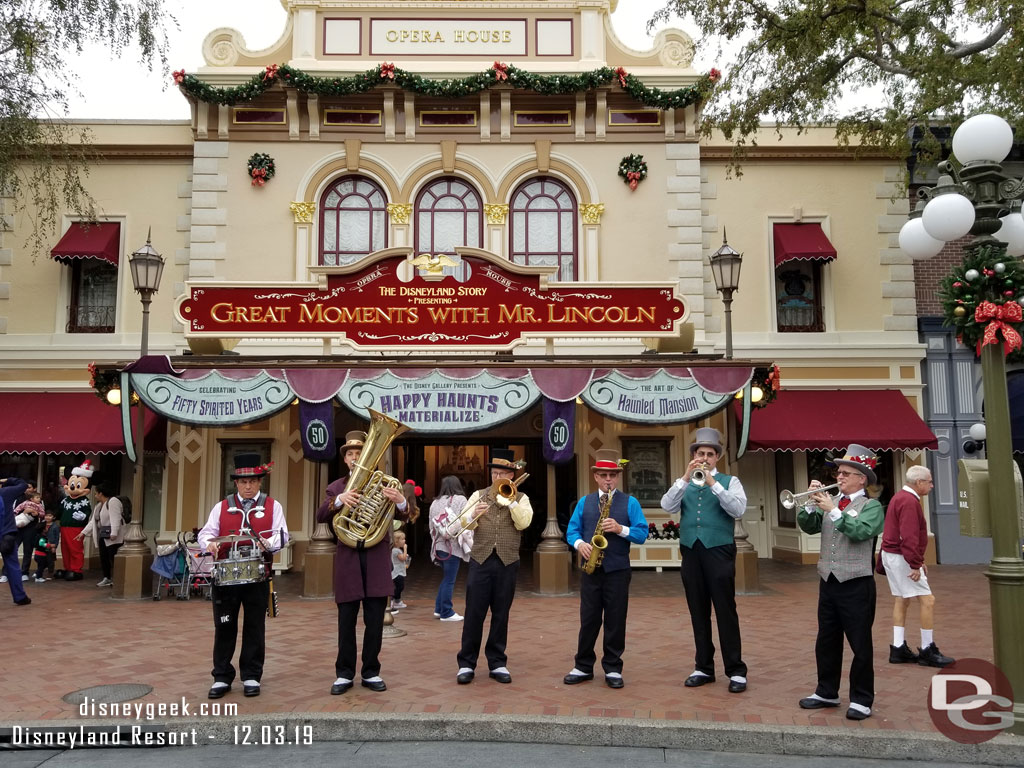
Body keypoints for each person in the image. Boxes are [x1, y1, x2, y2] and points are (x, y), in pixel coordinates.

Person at [315, 430, 410, 695]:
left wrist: (400, 500)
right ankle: (344, 674)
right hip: (348, 561)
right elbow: (321, 515)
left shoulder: (385, 485)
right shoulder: (336, 487)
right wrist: (339, 500)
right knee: (346, 621)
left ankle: (371, 672)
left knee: (375, 622)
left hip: (376, 560)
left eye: (360, 453)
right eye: (351, 454)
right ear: (345, 460)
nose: (356, 458)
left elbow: (408, 515)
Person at [797, 443, 885, 721]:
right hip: (829, 579)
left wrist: (832, 509)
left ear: (863, 478)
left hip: (857, 582)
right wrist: (811, 505)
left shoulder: (871, 506)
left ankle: (861, 698)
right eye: (839, 472)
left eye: (846, 473)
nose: (839, 477)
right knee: (826, 640)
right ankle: (826, 691)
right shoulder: (830, 503)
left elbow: (861, 532)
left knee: (860, 643)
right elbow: (808, 527)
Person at [659, 427, 749, 693]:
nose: (706, 458)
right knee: (698, 611)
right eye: (701, 453)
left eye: (710, 454)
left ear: (717, 458)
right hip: (691, 551)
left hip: (719, 551)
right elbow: (667, 505)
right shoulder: (685, 482)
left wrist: (713, 483)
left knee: (725, 611)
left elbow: (738, 509)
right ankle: (703, 667)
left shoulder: (730, 482)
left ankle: (736, 670)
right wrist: (686, 477)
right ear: (694, 455)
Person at [197, 454, 288, 699]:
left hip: (257, 576)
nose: (248, 487)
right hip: (226, 578)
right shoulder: (222, 506)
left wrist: (267, 543)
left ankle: (251, 675)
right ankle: (222, 676)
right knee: (224, 625)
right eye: (243, 482)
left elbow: (282, 536)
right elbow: (206, 533)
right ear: (235, 483)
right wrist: (210, 544)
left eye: (253, 482)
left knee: (255, 627)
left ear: (260, 483)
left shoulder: (272, 505)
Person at [563, 449, 648, 689]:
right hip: (591, 570)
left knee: (615, 619)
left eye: (612, 475)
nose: (608, 479)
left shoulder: (630, 502)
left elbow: (642, 534)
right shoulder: (585, 502)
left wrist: (621, 529)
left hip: (618, 571)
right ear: (596, 477)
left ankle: (613, 667)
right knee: (588, 619)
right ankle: (583, 666)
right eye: (603, 475)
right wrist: (580, 545)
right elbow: (571, 531)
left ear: (618, 477)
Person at [456, 448, 533, 685]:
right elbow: (463, 525)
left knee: (501, 614)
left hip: (507, 562)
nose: (496, 477)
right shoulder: (478, 495)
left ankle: (497, 662)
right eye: (494, 473)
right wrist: (473, 516)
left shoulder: (521, 498)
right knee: (474, 614)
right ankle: (466, 664)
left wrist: (511, 503)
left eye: (502, 473)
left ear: (511, 476)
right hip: (481, 560)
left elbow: (523, 524)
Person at [880, 466, 955, 668]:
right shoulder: (909, 501)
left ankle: (897, 648)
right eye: (929, 481)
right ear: (919, 482)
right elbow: (909, 535)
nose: (931, 485)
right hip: (902, 557)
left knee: (902, 599)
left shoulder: (900, 498)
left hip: (892, 555)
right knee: (928, 600)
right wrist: (915, 564)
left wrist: (917, 561)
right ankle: (927, 649)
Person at [428, 475, 470, 622]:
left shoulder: (434, 502)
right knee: (450, 580)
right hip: (453, 546)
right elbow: (466, 521)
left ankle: (439, 609)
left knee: (446, 578)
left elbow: (431, 527)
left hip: (438, 545)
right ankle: (446, 611)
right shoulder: (461, 500)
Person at [78, 485, 124, 587]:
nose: (95, 495)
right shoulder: (98, 506)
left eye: (96, 493)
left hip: (113, 537)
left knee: (113, 557)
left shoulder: (113, 501)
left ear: (101, 493)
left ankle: (118, 578)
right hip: (103, 534)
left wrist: (114, 533)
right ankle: (107, 577)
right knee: (104, 557)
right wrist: (83, 532)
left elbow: (115, 517)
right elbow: (93, 521)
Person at [57, 462, 93, 581]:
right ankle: (68, 568)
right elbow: (59, 511)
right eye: (72, 484)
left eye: (78, 485)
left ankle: (76, 569)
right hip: (64, 527)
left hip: (76, 529)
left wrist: (83, 516)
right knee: (65, 548)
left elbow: (87, 512)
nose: (73, 488)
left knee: (75, 548)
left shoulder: (84, 501)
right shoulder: (66, 500)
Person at [0, 484, 31, 605]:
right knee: (13, 567)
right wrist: (8, 479)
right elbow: (23, 484)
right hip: (7, 534)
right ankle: (19, 596)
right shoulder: (6, 492)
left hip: (7, 535)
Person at [14, 482, 39, 576]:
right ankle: (6, 573)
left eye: (29, 487)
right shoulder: (18, 498)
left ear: (34, 488)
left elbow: (43, 514)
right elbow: (14, 511)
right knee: (12, 549)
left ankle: (24, 573)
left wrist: (36, 514)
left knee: (27, 551)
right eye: (26, 487)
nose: (27, 489)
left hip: (31, 528)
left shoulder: (38, 500)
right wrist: (24, 512)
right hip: (18, 528)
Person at [32, 509, 60, 582]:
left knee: (50, 560)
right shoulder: (42, 524)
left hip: (51, 545)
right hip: (42, 546)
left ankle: (50, 573)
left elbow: (57, 537)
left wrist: (55, 546)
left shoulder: (55, 526)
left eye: (50, 516)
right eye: (46, 516)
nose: (47, 517)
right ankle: (39, 572)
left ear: (53, 517)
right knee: (41, 560)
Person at [390, 530, 410, 612]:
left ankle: (397, 600)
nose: (404, 541)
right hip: (397, 572)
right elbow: (403, 558)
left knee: (400, 586)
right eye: (402, 539)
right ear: (397, 542)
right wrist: (405, 550)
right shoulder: (396, 550)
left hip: (400, 571)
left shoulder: (397, 550)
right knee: (399, 586)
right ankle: (393, 601)